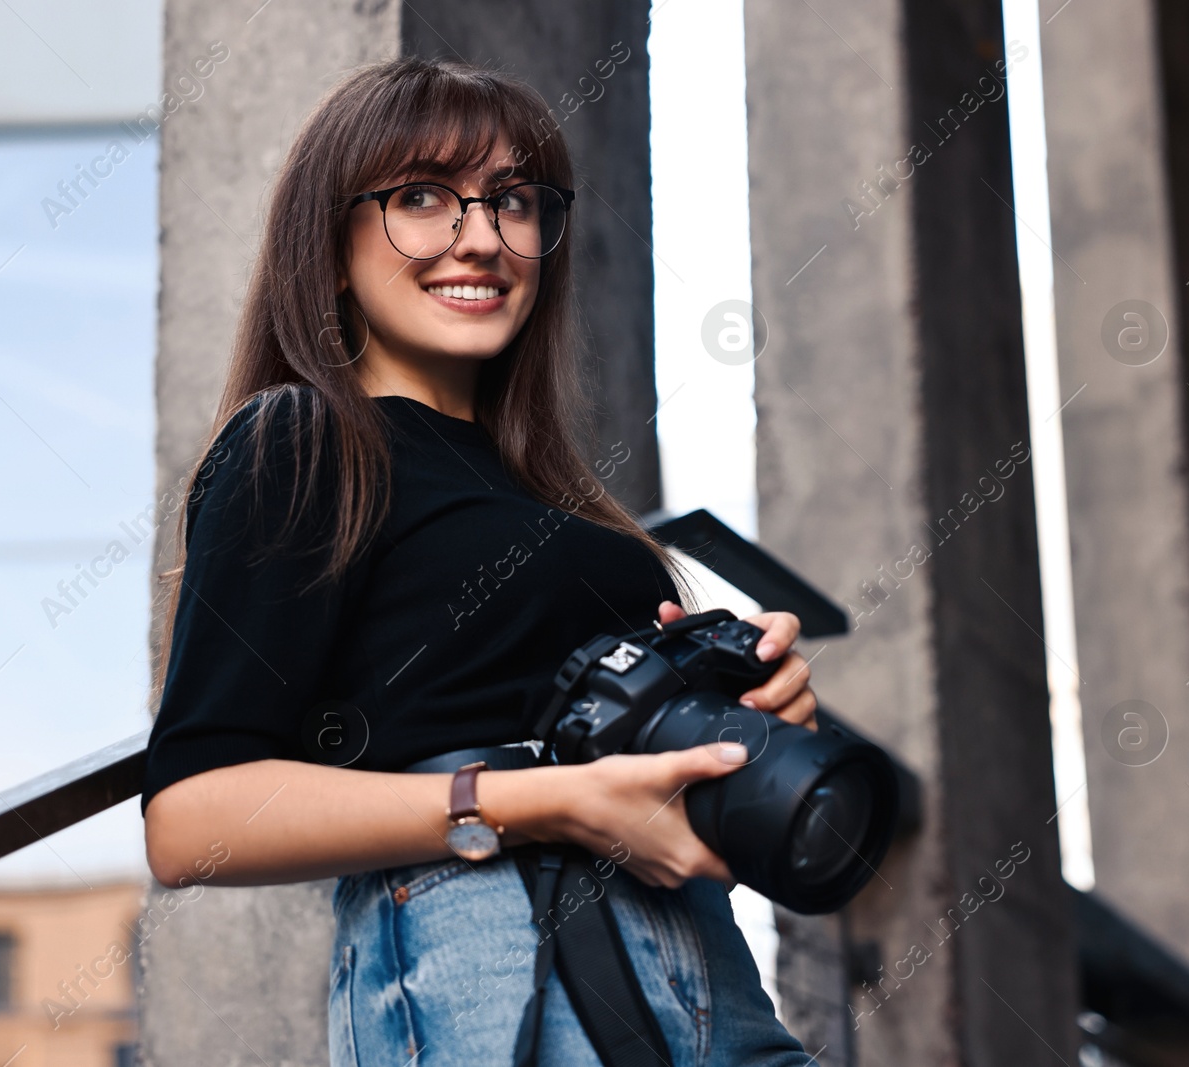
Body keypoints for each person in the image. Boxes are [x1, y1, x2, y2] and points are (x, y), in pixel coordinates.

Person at [141, 55, 822, 1067]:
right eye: (422, 197)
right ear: (330, 246)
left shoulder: (562, 497)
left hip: (704, 969)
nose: (480, 236)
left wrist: (742, 719)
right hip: (493, 970)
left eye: (513, 201)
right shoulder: (306, 440)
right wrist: (527, 798)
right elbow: (192, 818)